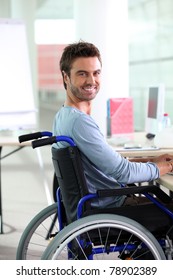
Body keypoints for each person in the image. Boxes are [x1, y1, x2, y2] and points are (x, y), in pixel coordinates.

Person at [52, 41, 173, 208]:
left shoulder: (63, 115)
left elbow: (105, 164)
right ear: (66, 77)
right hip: (111, 206)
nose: (91, 81)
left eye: (96, 73)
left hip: (99, 203)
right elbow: (123, 172)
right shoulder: (78, 122)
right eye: (82, 74)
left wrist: (150, 160)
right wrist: (168, 166)